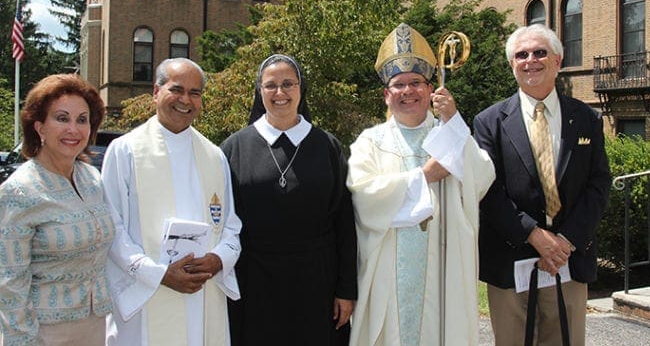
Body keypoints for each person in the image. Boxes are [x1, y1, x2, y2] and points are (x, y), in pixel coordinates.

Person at [347, 23, 495, 346]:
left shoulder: (448, 134)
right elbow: (364, 198)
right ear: (387, 95)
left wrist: (454, 122)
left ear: (430, 90)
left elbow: (482, 177)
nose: (408, 91)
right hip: (389, 278)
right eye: (398, 85)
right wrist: (424, 176)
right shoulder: (369, 142)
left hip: (443, 279)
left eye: (416, 83)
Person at [473, 24, 611, 345]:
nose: (530, 60)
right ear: (512, 64)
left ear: (558, 61)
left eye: (539, 52)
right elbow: (487, 190)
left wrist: (564, 241)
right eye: (521, 55)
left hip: (568, 259)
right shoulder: (488, 122)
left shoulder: (587, 118)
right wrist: (534, 236)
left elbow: (598, 183)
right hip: (511, 263)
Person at [102, 58, 241, 345]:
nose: (185, 100)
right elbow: (111, 227)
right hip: (147, 294)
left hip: (202, 293)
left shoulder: (214, 156)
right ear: (156, 91)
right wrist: (158, 274)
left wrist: (218, 260)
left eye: (195, 93)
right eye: (177, 89)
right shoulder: (125, 150)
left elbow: (231, 226)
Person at [220, 54, 357, 345]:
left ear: (300, 89)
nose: (279, 93)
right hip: (253, 282)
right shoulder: (234, 148)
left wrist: (346, 289)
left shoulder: (328, 146)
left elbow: (344, 223)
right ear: (259, 91)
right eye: (270, 85)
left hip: (316, 282)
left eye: (288, 84)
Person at [0, 74, 114, 345]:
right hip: (44, 332)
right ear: (39, 127)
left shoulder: (92, 179)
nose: (73, 129)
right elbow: (9, 283)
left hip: (95, 326)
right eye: (62, 118)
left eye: (82, 119)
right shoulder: (19, 191)